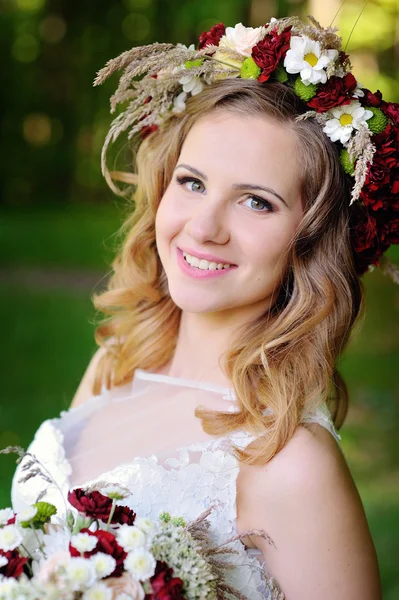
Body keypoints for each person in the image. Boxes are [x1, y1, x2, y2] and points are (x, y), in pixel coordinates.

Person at [12, 16, 398, 599]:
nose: (204, 227)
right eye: (193, 183)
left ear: (312, 240)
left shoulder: (290, 462)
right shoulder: (113, 367)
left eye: (256, 202)